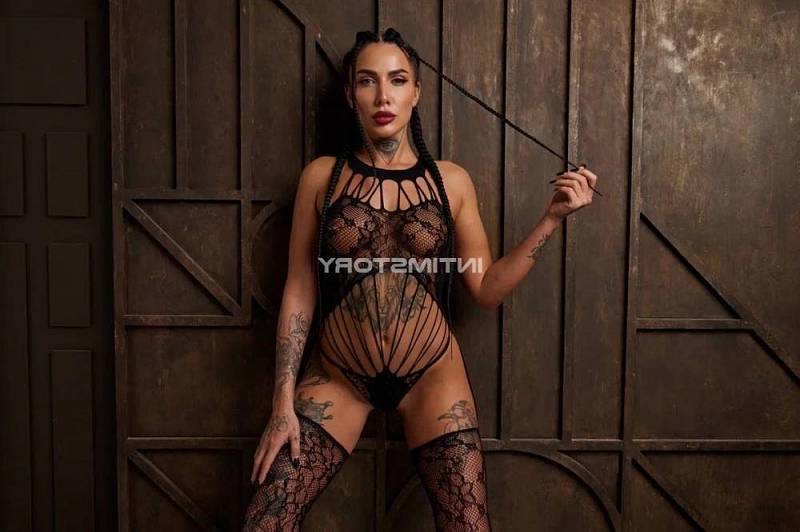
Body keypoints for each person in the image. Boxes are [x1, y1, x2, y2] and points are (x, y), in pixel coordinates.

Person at [242, 28, 598, 531]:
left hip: (433, 378)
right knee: (264, 524)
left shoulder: (451, 182)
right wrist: (282, 399)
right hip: (339, 377)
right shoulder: (322, 177)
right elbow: (300, 289)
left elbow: (486, 288)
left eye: (397, 80)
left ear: (417, 92)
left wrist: (552, 218)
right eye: (367, 81)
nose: (383, 96)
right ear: (350, 95)